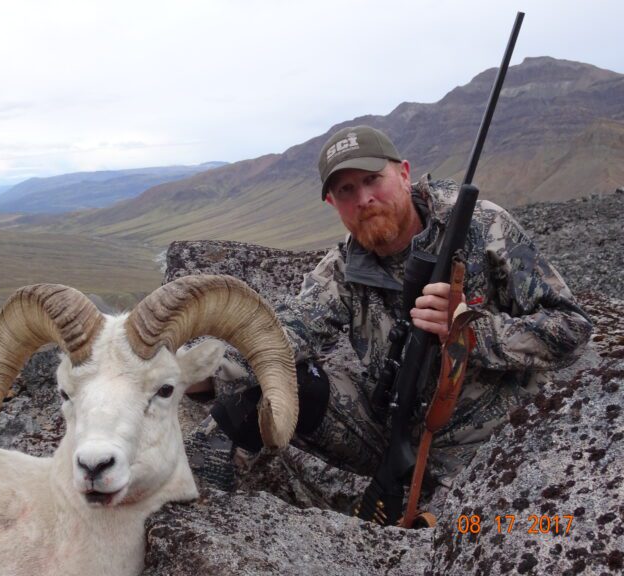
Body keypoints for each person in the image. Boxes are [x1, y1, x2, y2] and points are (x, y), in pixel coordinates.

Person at [185, 125, 593, 504]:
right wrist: (192, 370)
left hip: (494, 446)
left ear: (404, 174)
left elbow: (573, 327)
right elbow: (283, 334)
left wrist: (472, 332)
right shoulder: (345, 266)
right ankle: (194, 508)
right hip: (390, 432)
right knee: (271, 388)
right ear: (332, 203)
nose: (363, 199)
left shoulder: (483, 227)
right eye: (346, 190)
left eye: (371, 180)